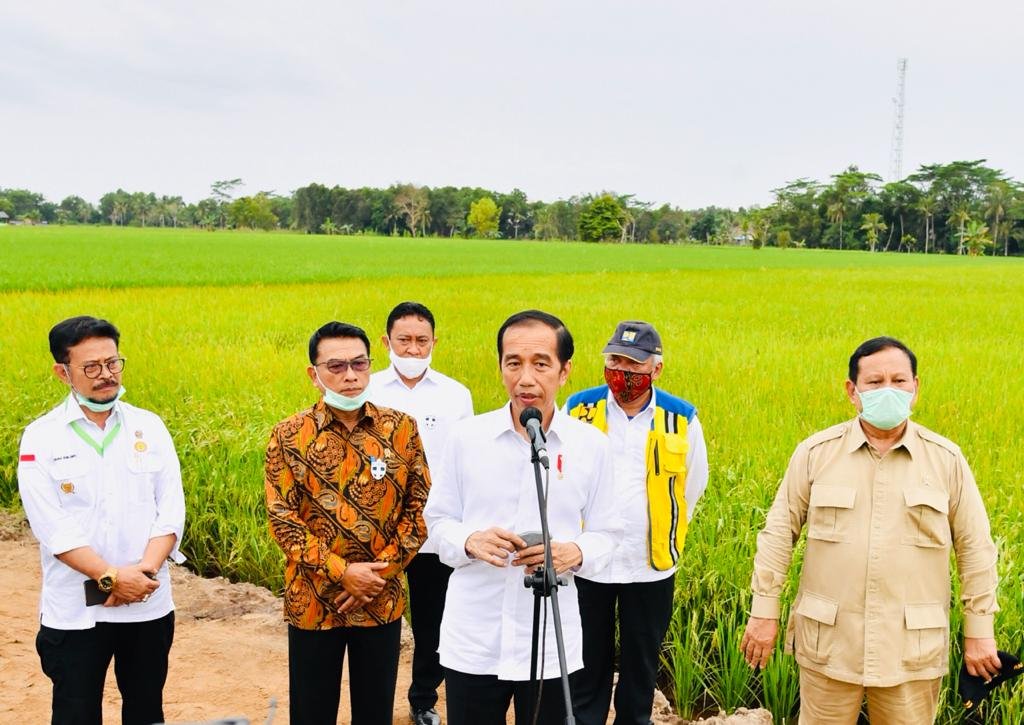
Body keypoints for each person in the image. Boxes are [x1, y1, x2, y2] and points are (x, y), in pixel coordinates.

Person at [740, 336, 1001, 724]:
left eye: (899, 381)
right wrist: (764, 612)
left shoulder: (945, 460)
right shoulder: (816, 453)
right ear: (853, 391)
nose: (888, 390)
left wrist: (980, 631)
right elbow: (778, 534)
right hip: (829, 642)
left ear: (915, 388)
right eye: (875, 382)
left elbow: (975, 547)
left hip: (910, 648)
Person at [425, 309, 622, 725]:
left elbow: (608, 532)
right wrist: (469, 541)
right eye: (513, 363)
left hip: (552, 641)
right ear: (500, 367)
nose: (525, 378)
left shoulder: (591, 446)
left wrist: (574, 552)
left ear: (564, 371)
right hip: (475, 638)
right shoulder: (466, 438)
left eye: (541, 364)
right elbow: (437, 521)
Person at [17, 315, 186, 725]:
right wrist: (110, 578)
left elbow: (170, 510)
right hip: (76, 609)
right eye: (91, 367)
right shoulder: (41, 437)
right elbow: (52, 527)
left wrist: (142, 574)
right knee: (75, 712)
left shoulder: (149, 426)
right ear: (63, 372)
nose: (106, 375)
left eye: (112, 363)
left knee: (146, 710)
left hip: (147, 602)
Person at [265, 321, 429, 725]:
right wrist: (343, 573)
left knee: (375, 711)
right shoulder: (289, 435)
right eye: (336, 366)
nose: (351, 375)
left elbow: (419, 511)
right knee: (312, 711)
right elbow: (283, 520)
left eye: (359, 363)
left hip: (379, 598)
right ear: (314, 374)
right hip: (313, 598)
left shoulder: (401, 429)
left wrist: (375, 575)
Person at [565, 320, 709, 725]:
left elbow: (692, 485)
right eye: (615, 360)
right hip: (588, 561)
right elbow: (562, 476)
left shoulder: (680, 417)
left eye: (633, 364)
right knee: (585, 659)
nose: (622, 371)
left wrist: (662, 528)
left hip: (649, 564)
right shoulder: (578, 409)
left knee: (641, 664)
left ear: (655, 369)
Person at [368, 301, 474, 725]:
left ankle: (423, 700)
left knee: (433, 621)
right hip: (379, 528)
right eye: (404, 341)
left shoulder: (455, 395)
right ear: (386, 342)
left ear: (434, 342)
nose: (413, 350)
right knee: (378, 619)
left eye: (421, 341)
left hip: (435, 527)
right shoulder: (368, 389)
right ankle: (373, 702)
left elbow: (465, 462)